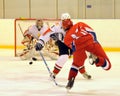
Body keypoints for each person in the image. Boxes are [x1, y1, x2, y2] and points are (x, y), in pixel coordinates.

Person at [35, 13, 91, 80]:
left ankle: (83, 71)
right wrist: (40, 42)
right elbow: (47, 33)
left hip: (72, 42)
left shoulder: (76, 25)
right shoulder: (56, 26)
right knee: (64, 57)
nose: (65, 29)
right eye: (64, 27)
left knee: (79, 56)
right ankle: (54, 73)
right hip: (62, 43)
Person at [61, 18, 112, 90]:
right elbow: (92, 32)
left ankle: (70, 80)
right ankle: (97, 59)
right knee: (108, 66)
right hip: (91, 43)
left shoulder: (66, 38)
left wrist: (79, 55)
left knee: (75, 65)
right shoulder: (80, 24)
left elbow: (73, 48)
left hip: (78, 47)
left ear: (64, 28)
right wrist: (94, 42)